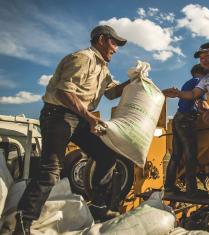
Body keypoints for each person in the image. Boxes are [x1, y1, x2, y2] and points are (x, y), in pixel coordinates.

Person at [14, 25, 129, 234]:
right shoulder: (83, 58)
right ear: (102, 39)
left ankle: (98, 207)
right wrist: (90, 118)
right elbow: (64, 93)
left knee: (106, 155)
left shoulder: (103, 68)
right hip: (58, 115)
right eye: (114, 43)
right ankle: (23, 223)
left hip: (79, 117)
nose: (116, 49)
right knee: (51, 170)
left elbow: (112, 93)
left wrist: (135, 81)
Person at [163, 64, 209, 197]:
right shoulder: (199, 83)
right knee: (190, 155)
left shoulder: (188, 83)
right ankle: (191, 190)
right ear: (203, 73)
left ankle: (169, 187)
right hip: (187, 121)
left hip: (178, 118)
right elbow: (203, 105)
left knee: (176, 156)